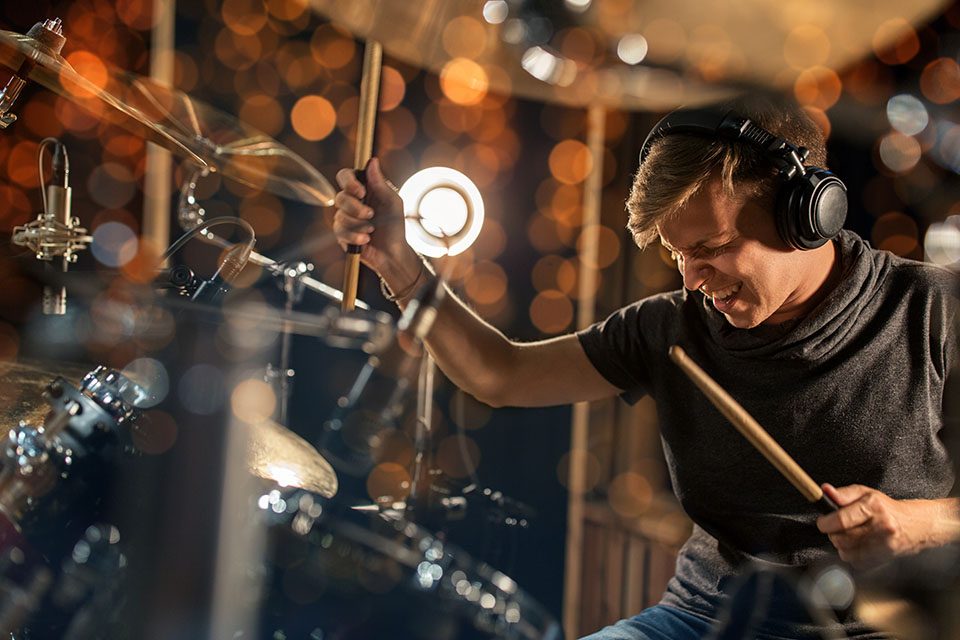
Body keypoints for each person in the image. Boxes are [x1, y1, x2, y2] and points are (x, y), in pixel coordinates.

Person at [332, 95, 960, 639]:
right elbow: (500, 373)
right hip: (703, 621)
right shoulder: (671, 327)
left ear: (807, 215)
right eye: (675, 253)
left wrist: (919, 524)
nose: (691, 278)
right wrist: (398, 262)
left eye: (710, 248)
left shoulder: (933, 312)